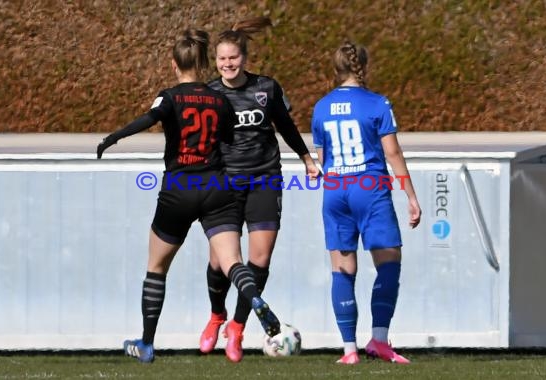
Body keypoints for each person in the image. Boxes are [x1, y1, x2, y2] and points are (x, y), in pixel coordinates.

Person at [96, 29, 281, 363]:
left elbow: (149, 119)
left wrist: (114, 137)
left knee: (157, 266)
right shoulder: (220, 99)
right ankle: (253, 298)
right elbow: (226, 137)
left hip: (180, 188)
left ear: (173, 65)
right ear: (206, 62)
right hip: (217, 188)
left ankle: (147, 343)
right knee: (233, 263)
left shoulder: (170, 97)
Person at [198, 17, 320, 363]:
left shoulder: (266, 88)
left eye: (233, 58)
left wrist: (307, 158)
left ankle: (237, 327)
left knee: (260, 259)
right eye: (222, 59)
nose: (227, 64)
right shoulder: (210, 94)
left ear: (244, 58)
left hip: (265, 179)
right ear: (216, 61)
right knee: (220, 261)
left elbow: (286, 125)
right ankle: (216, 315)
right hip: (223, 183)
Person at [311, 41, 421, 365]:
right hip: (369, 189)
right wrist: (411, 195)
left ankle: (349, 350)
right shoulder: (377, 103)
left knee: (342, 271)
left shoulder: (321, 107)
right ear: (364, 67)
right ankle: (379, 340)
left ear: (336, 69)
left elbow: (322, 158)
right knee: (389, 263)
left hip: (335, 192)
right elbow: (392, 153)